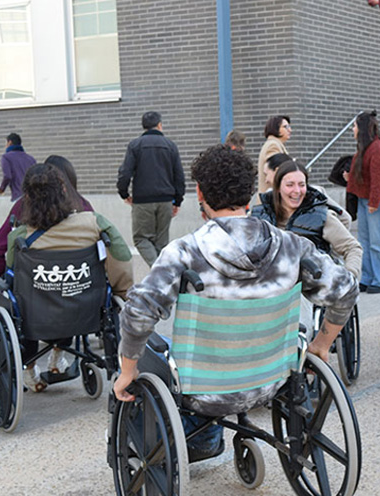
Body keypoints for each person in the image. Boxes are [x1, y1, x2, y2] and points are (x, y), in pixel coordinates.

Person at [113, 145, 358, 462]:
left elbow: (139, 312)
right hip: (273, 380)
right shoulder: (292, 245)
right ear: (251, 193)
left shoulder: (184, 251)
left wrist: (127, 370)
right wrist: (322, 343)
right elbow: (345, 290)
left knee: (142, 351)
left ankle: (181, 442)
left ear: (200, 192)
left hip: (204, 391)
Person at [7, 164, 134, 392]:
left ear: (26, 197)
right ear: (64, 191)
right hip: (85, 311)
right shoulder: (94, 223)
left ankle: (29, 368)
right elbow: (121, 257)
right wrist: (121, 292)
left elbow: (11, 276)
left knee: (29, 300)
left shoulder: (19, 238)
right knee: (69, 293)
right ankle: (60, 354)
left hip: (36, 317)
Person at [252, 160, 362, 280]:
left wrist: (349, 276)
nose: (297, 191)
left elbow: (352, 248)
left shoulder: (321, 216)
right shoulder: (258, 216)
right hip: (270, 290)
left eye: (302, 185)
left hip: (311, 291)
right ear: (278, 187)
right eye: (290, 185)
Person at [0, 155, 95, 276]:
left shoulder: (23, 206)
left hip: (34, 287)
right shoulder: (85, 207)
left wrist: (5, 278)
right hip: (82, 284)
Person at [116, 111, 185, 267]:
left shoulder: (135, 145)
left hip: (142, 201)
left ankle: (159, 271)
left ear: (143, 126)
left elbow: (125, 172)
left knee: (141, 239)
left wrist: (124, 193)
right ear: (160, 125)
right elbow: (179, 176)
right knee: (162, 242)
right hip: (166, 200)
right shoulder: (170, 146)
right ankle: (164, 275)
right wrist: (178, 201)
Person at [346, 111, 380, 293]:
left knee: (378, 242)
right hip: (366, 199)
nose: (353, 129)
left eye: (355, 125)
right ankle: (367, 278)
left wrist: (374, 201)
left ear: (363, 128)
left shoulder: (377, 148)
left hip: (376, 201)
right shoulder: (365, 147)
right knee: (364, 242)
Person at [0, 133, 36, 202]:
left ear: (10, 142)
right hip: (32, 198)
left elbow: (7, 176)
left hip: (18, 197)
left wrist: (1, 189)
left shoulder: (6, 157)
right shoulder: (31, 159)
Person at [257, 115, 292, 194]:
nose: (290, 130)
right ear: (276, 129)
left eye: (289, 126)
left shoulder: (275, 144)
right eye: (285, 127)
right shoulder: (273, 145)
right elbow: (276, 171)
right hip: (271, 197)